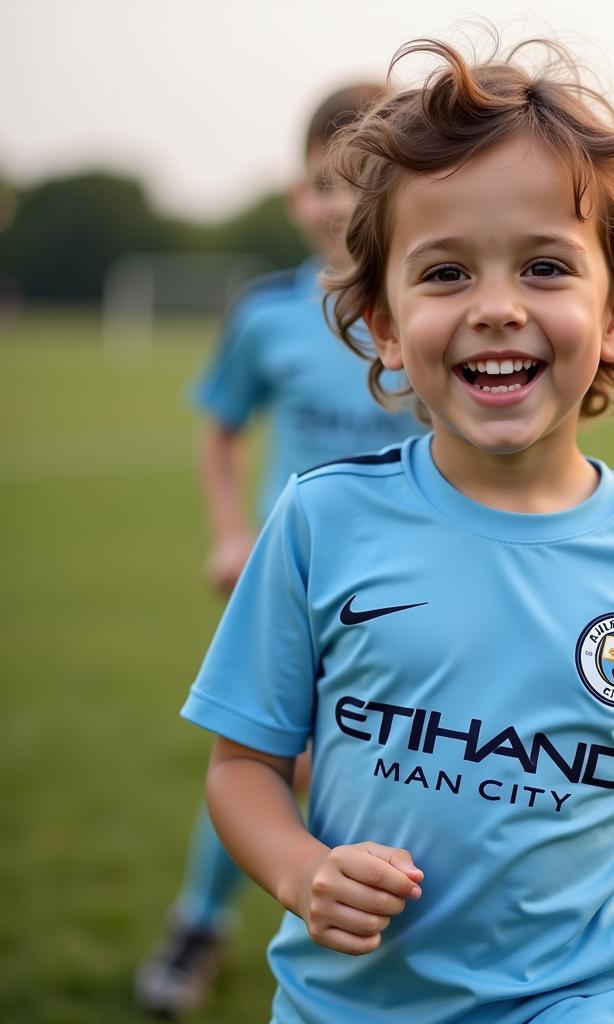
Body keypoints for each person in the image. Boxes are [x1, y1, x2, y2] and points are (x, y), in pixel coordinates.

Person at [181, 37, 614, 1024]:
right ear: (386, 324)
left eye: (542, 266)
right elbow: (243, 767)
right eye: (445, 274)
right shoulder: (321, 520)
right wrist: (301, 870)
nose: (496, 309)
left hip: (579, 1000)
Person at [135, 83, 424, 1018]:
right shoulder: (265, 316)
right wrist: (229, 533)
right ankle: (202, 924)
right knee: (264, 759)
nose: (336, 205)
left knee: (378, 767)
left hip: (412, 593)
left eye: (359, 183)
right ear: (295, 197)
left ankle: (390, 928)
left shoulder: (428, 304)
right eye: (317, 184)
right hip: (291, 589)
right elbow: (219, 427)